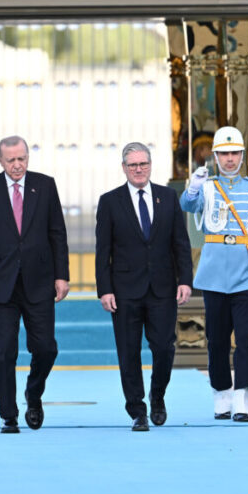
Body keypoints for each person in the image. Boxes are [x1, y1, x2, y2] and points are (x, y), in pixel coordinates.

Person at [0, 135, 69, 434]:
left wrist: (62, 275)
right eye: (10, 160)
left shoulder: (45, 185)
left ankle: (33, 395)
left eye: (21, 158)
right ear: (0, 161)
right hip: (1, 282)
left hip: (39, 281)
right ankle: (8, 415)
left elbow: (57, 233)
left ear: (28, 157)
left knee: (46, 348)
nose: (17, 165)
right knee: (4, 351)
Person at [180, 126, 248, 422]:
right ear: (216, 157)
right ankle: (220, 392)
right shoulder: (207, 186)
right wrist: (193, 187)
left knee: (244, 337)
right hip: (214, 275)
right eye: (224, 154)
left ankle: (242, 397)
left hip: (245, 273)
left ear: (242, 155)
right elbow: (187, 205)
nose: (230, 159)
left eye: (234, 153)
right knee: (217, 338)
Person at [96, 142, 193, 432]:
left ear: (151, 165)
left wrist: (185, 280)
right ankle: (137, 411)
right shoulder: (110, 201)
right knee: (128, 352)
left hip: (162, 288)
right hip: (124, 290)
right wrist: (105, 289)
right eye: (133, 165)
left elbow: (181, 243)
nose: (138, 169)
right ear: (124, 168)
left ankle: (158, 396)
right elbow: (103, 251)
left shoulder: (168, 197)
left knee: (164, 347)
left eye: (143, 164)